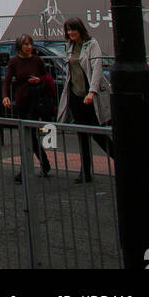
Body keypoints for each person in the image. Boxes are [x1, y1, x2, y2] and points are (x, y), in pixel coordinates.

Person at [56, 16, 112, 183]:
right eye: (68, 30)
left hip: (90, 96)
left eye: (73, 29)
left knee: (98, 133)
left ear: (80, 29)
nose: (70, 32)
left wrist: (92, 92)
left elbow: (96, 68)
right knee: (82, 134)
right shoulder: (70, 46)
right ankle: (85, 171)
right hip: (76, 95)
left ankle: (121, 161)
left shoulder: (91, 44)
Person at [3, 34, 55, 180]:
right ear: (20, 46)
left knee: (30, 135)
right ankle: (44, 163)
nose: (29, 47)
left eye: (30, 44)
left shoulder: (37, 60)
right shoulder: (14, 62)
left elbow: (46, 78)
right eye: (26, 44)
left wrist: (39, 80)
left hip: (35, 102)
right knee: (27, 136)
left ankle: (25, 169)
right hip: (22, 102)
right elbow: (7, 80)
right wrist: (5, 96)